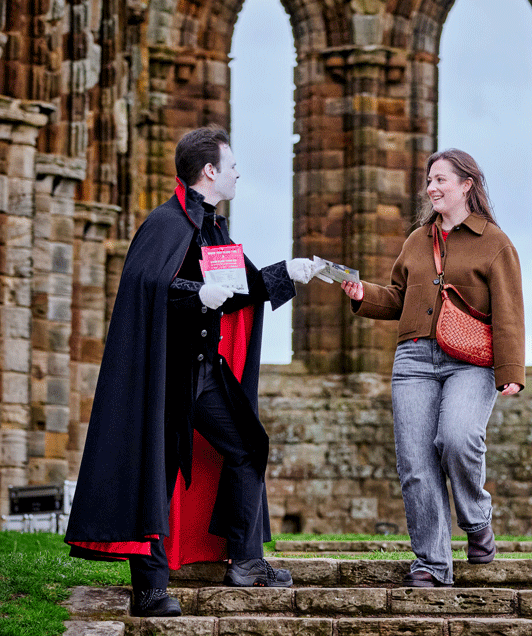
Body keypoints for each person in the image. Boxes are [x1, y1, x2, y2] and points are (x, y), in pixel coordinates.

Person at [64, 126, 322, 616]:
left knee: (248, 446)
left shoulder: (213, 227)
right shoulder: (164, 224)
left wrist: (287, 272)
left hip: (203, 373)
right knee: (157, 470)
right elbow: (150, 288)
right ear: (210, 171)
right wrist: (193, 295)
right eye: (232, 165)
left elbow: (239, 287)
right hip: (160, 377)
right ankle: (151, 590)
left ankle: (246, 562)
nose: (238, 172)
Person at [340, 148, 525, 587]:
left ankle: (477, 523)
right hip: (414, 360)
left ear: (467, 185)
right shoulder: (416, 241)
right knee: (416, 464)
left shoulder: (495, 243)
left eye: (441, 179)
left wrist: (511, 370)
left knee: (457, 439)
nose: (432, 188)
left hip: (470, 361)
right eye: (429, 181)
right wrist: (361, 293)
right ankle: (432, 564)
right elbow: (398, 299)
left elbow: (510, 312)